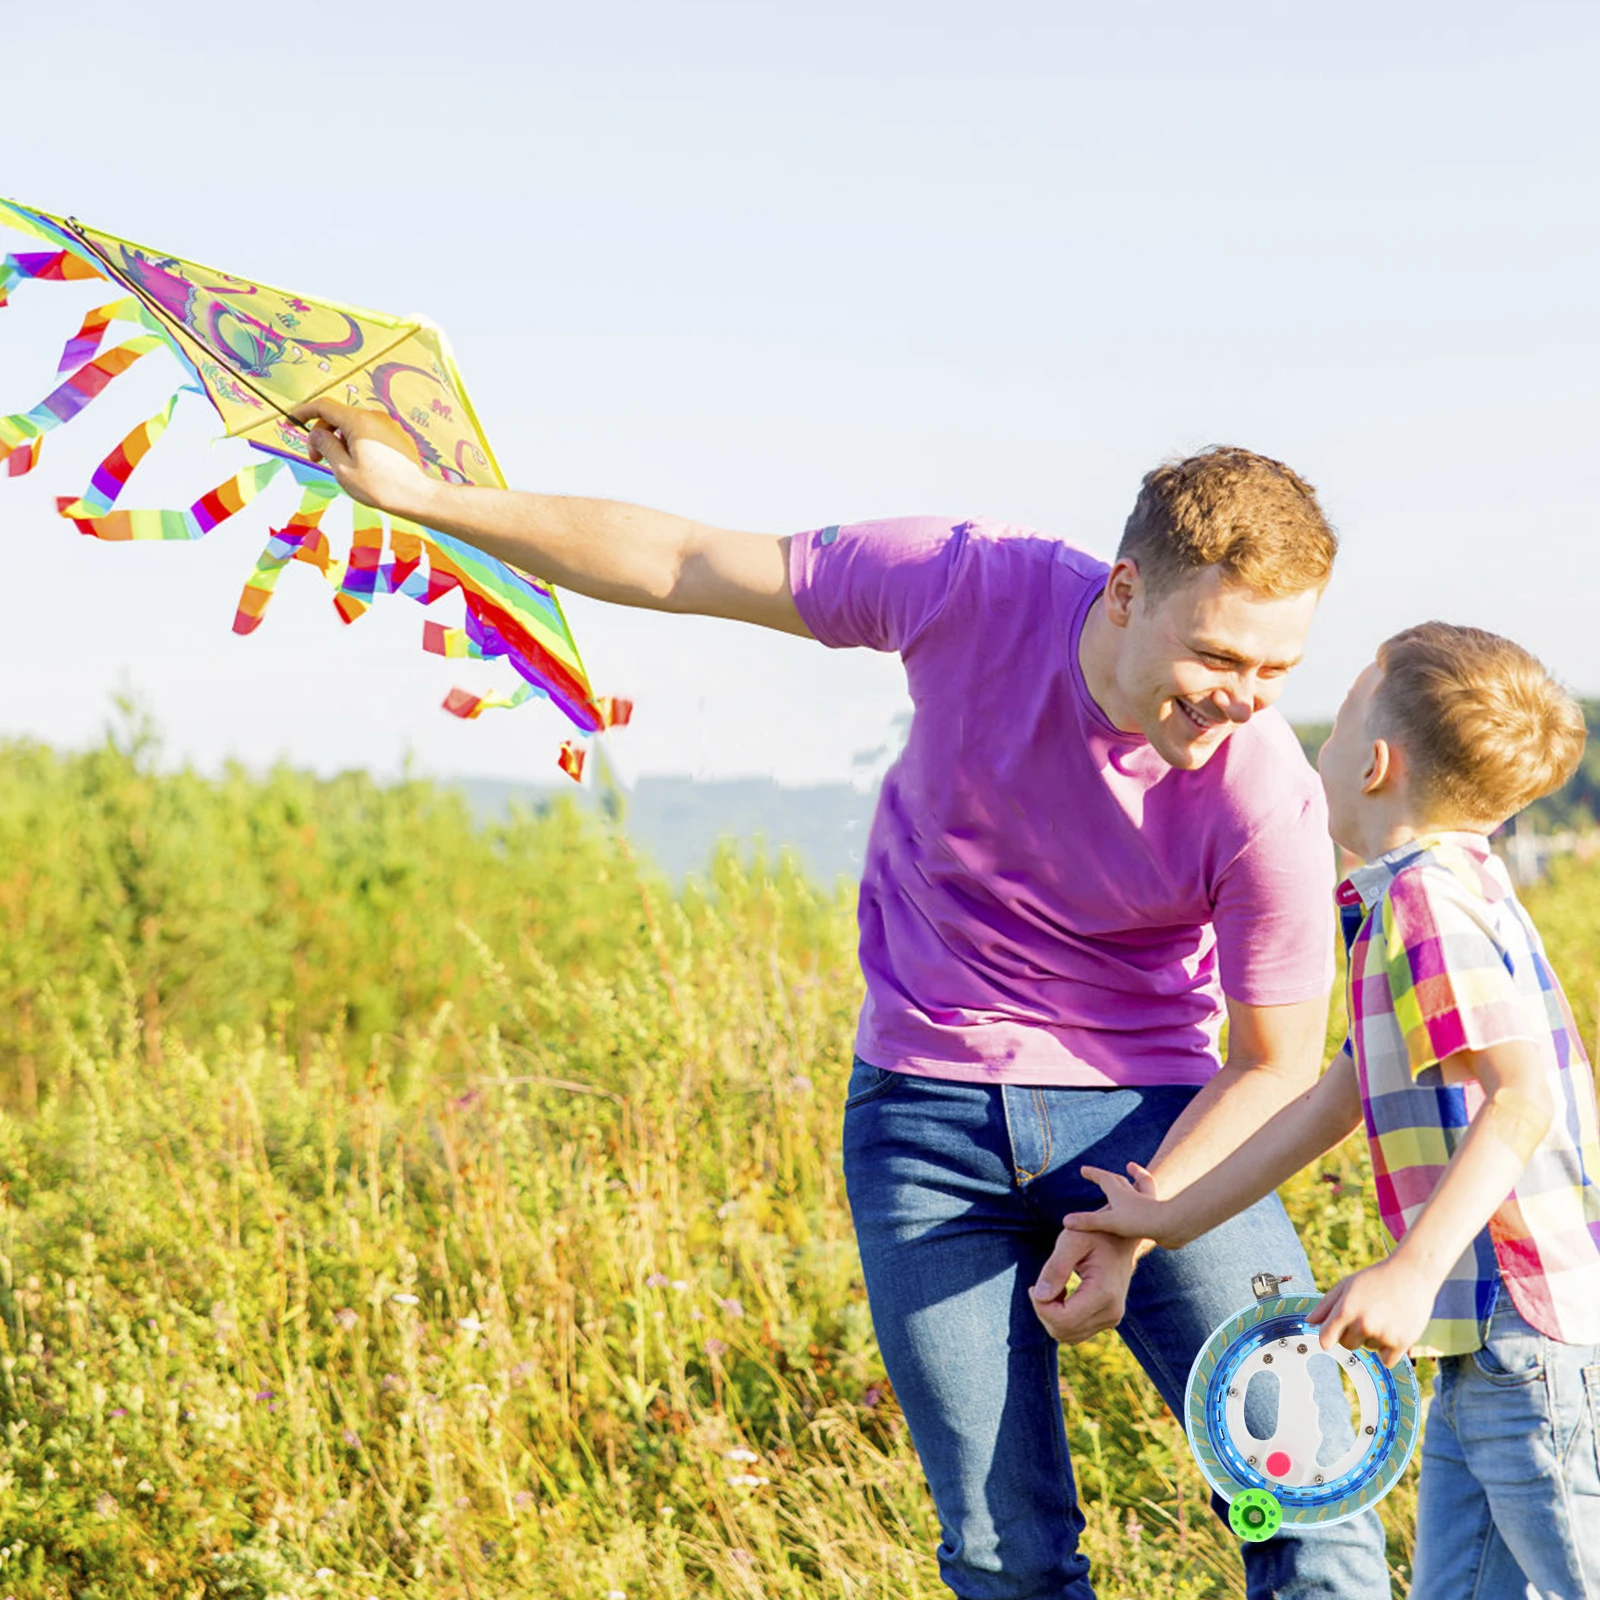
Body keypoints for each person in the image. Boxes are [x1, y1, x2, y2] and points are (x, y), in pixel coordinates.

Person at [293, 399, 1390, 1599]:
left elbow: (1276, 1060)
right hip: (925, 1126)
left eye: (1278, 668)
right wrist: (426, 501)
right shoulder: (966, 584)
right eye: (1220, 658)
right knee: (999, 1552)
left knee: (1307, 1493)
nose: (1245, 696)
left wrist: (1144, 1215)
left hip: (1163, 1123)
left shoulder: (1265, 794)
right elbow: (684, 560)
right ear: (1124, 592)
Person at [1064, 622, 1600, 1599]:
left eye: (1345, 707)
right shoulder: (1421, 894)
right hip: (1483, 1348)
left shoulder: (1427, 897)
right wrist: (1166, 1218)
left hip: (1526, 1339)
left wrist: (1407, 1270)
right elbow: (1334, 1098)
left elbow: (1517, 1099)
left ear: (1376, 765)